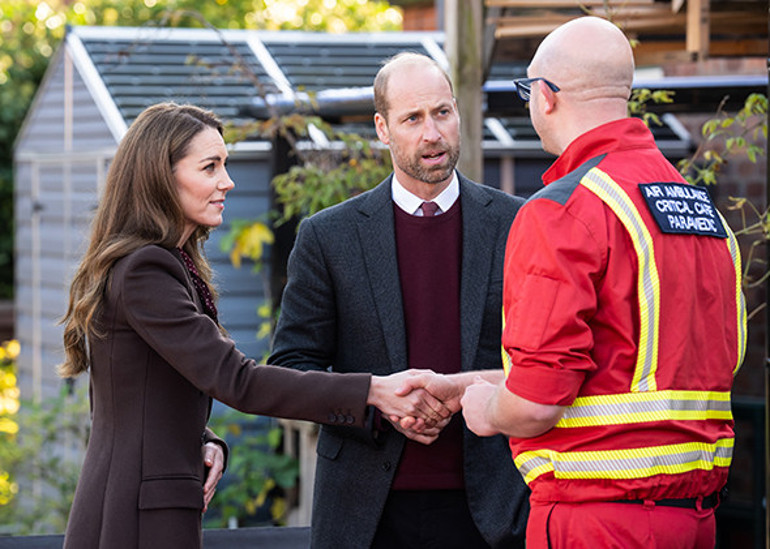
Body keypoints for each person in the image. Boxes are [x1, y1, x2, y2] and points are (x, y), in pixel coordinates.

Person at [59, 102, 456, 549]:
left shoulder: (163, 263)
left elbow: (137, 394)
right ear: (160, 177)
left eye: (224, 165)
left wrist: (205, 440)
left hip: (142, 503)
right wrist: (372, 391)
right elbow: (237, 381)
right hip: (134, 516)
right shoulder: (146, 269)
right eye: (210, 167)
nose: (227, 181)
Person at [461, 16, 746, 549]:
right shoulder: (700, 209)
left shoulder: (564, 210)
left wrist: (486, 411)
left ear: (545, 97)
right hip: (697, 518)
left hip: (597, 518)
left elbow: (537, 403)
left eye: (527, 90)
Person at [268, 52, 529, 549]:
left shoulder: (518, 225)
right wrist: (376, 400)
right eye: (413, 118)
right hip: (367, 514)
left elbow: (542, 359)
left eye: (442, 113)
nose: (432, 133)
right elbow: (291, 369)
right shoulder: (329, 237)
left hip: (495, 510)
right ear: (383, 128)